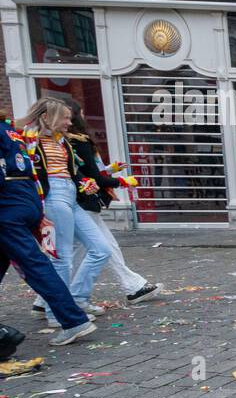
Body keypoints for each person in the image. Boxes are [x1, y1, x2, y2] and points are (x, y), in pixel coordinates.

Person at [1, 115, 96, 346]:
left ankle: (73, 320)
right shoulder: (8, 130)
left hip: (7, 205)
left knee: (36, 264)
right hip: (25, 197)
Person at [19, 99, 115, 322]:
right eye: (64, 117)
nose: (69, 122)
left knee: (101, 249)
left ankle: (77, 298)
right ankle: (57, 313)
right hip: (53, 197)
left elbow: (71, 170)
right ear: (48, 117)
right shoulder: (29, 140)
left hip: (70, 194)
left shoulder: (61, 141)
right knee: (61, 257)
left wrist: (83, 182)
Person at [62, 102, 158, 305]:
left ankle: (45, 300)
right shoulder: (78, 141)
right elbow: (92, 177)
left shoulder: (66, 142)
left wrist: (110, 170)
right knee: (102, 247)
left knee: (82, 250)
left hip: (79, 202)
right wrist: (121, 181)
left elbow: (89, 173)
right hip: (84, 203)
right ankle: (132, 286)